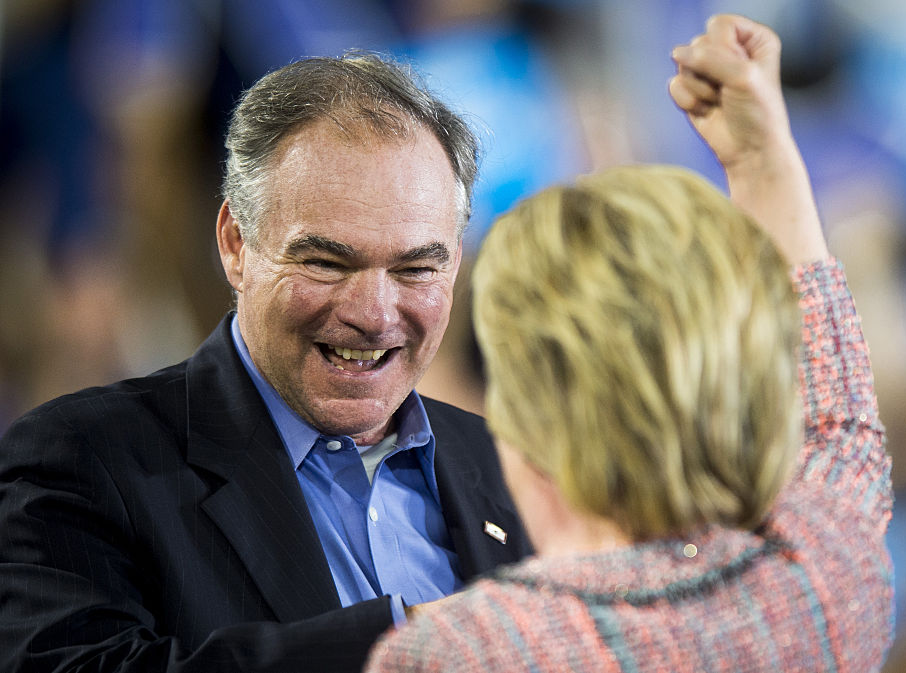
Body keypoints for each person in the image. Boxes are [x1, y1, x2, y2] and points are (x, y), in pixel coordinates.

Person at [365, 13, 894, 673]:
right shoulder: (826, 583)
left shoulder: (461, 650)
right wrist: (762, 161)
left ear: (521, 416)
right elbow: (840, 433)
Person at [0, 54, 531, 672]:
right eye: (327, 263)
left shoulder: (508, 464)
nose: (374, 313)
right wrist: (398, 643)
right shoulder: (84, 459)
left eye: (415, 268)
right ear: (235, 244)